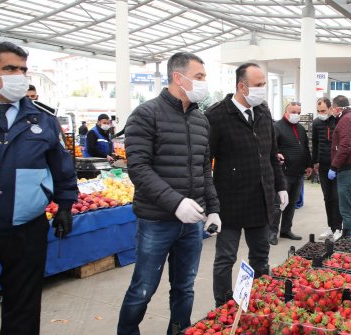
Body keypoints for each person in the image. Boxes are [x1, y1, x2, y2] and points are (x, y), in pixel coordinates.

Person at [117, 52, 220, 335]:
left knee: (184, 288)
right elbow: (138, 169)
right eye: (199, 76)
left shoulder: (201, 120)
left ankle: (179, 330)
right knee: (143, 288)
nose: (204, 82)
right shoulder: (145, 114)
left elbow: (204, 170)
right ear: (178, 77)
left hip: (191, 223)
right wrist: (175, 203)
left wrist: (213, 208)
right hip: (156, 221)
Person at [0, 41, 77, 335]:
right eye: (9, 69)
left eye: (23, 69)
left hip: (26, 229)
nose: (19, 75)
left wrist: (65, 206)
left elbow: (62, 168)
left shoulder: (43, 119)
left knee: (24, 305)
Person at [205, 62, 287, 307]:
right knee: (226, 258)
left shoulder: (262, 111)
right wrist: (210, 204)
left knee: (261, 255)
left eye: (264, 84)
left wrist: (280, 186)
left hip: (260, 199)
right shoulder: (217, 116)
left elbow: (272, 154)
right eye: (259, 85)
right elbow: (203, 161)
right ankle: (224, 306)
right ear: (242, 86)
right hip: (229, 201)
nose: (263, 89)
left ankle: (258, 299)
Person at [270, 102, 312, 245]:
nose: (296, 115)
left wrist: (309, 165)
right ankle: (272, 232)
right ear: (286, 112)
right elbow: (271, 148)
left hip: (298, 172)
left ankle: (286, 230)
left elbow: (305, 148)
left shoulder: (300, 128)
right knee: (279, 203)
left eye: (299, 112)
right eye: (293, 111)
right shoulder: (277, 127)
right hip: (283, 173)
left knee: (292, 203)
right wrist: (277, 154)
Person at [328, 95, 351, 239]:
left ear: (337, 108)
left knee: (346, 207)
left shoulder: (346, 120)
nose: (331, 111)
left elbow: (344, 146)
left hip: (349, 170)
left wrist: (334, 166)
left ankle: (348, 237)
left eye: (331, 108)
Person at [313, 97, 342, 241]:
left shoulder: (339, 122)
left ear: (330, 109)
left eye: (323, 110)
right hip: (323, 166)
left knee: (337, 197)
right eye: (318, 111)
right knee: (327, 197)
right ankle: (330, 226)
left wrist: (337, 165)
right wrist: (315, 162)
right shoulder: (316, 123)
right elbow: (315, 143)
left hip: (337, 166)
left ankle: (338, 227)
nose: (320, 113)